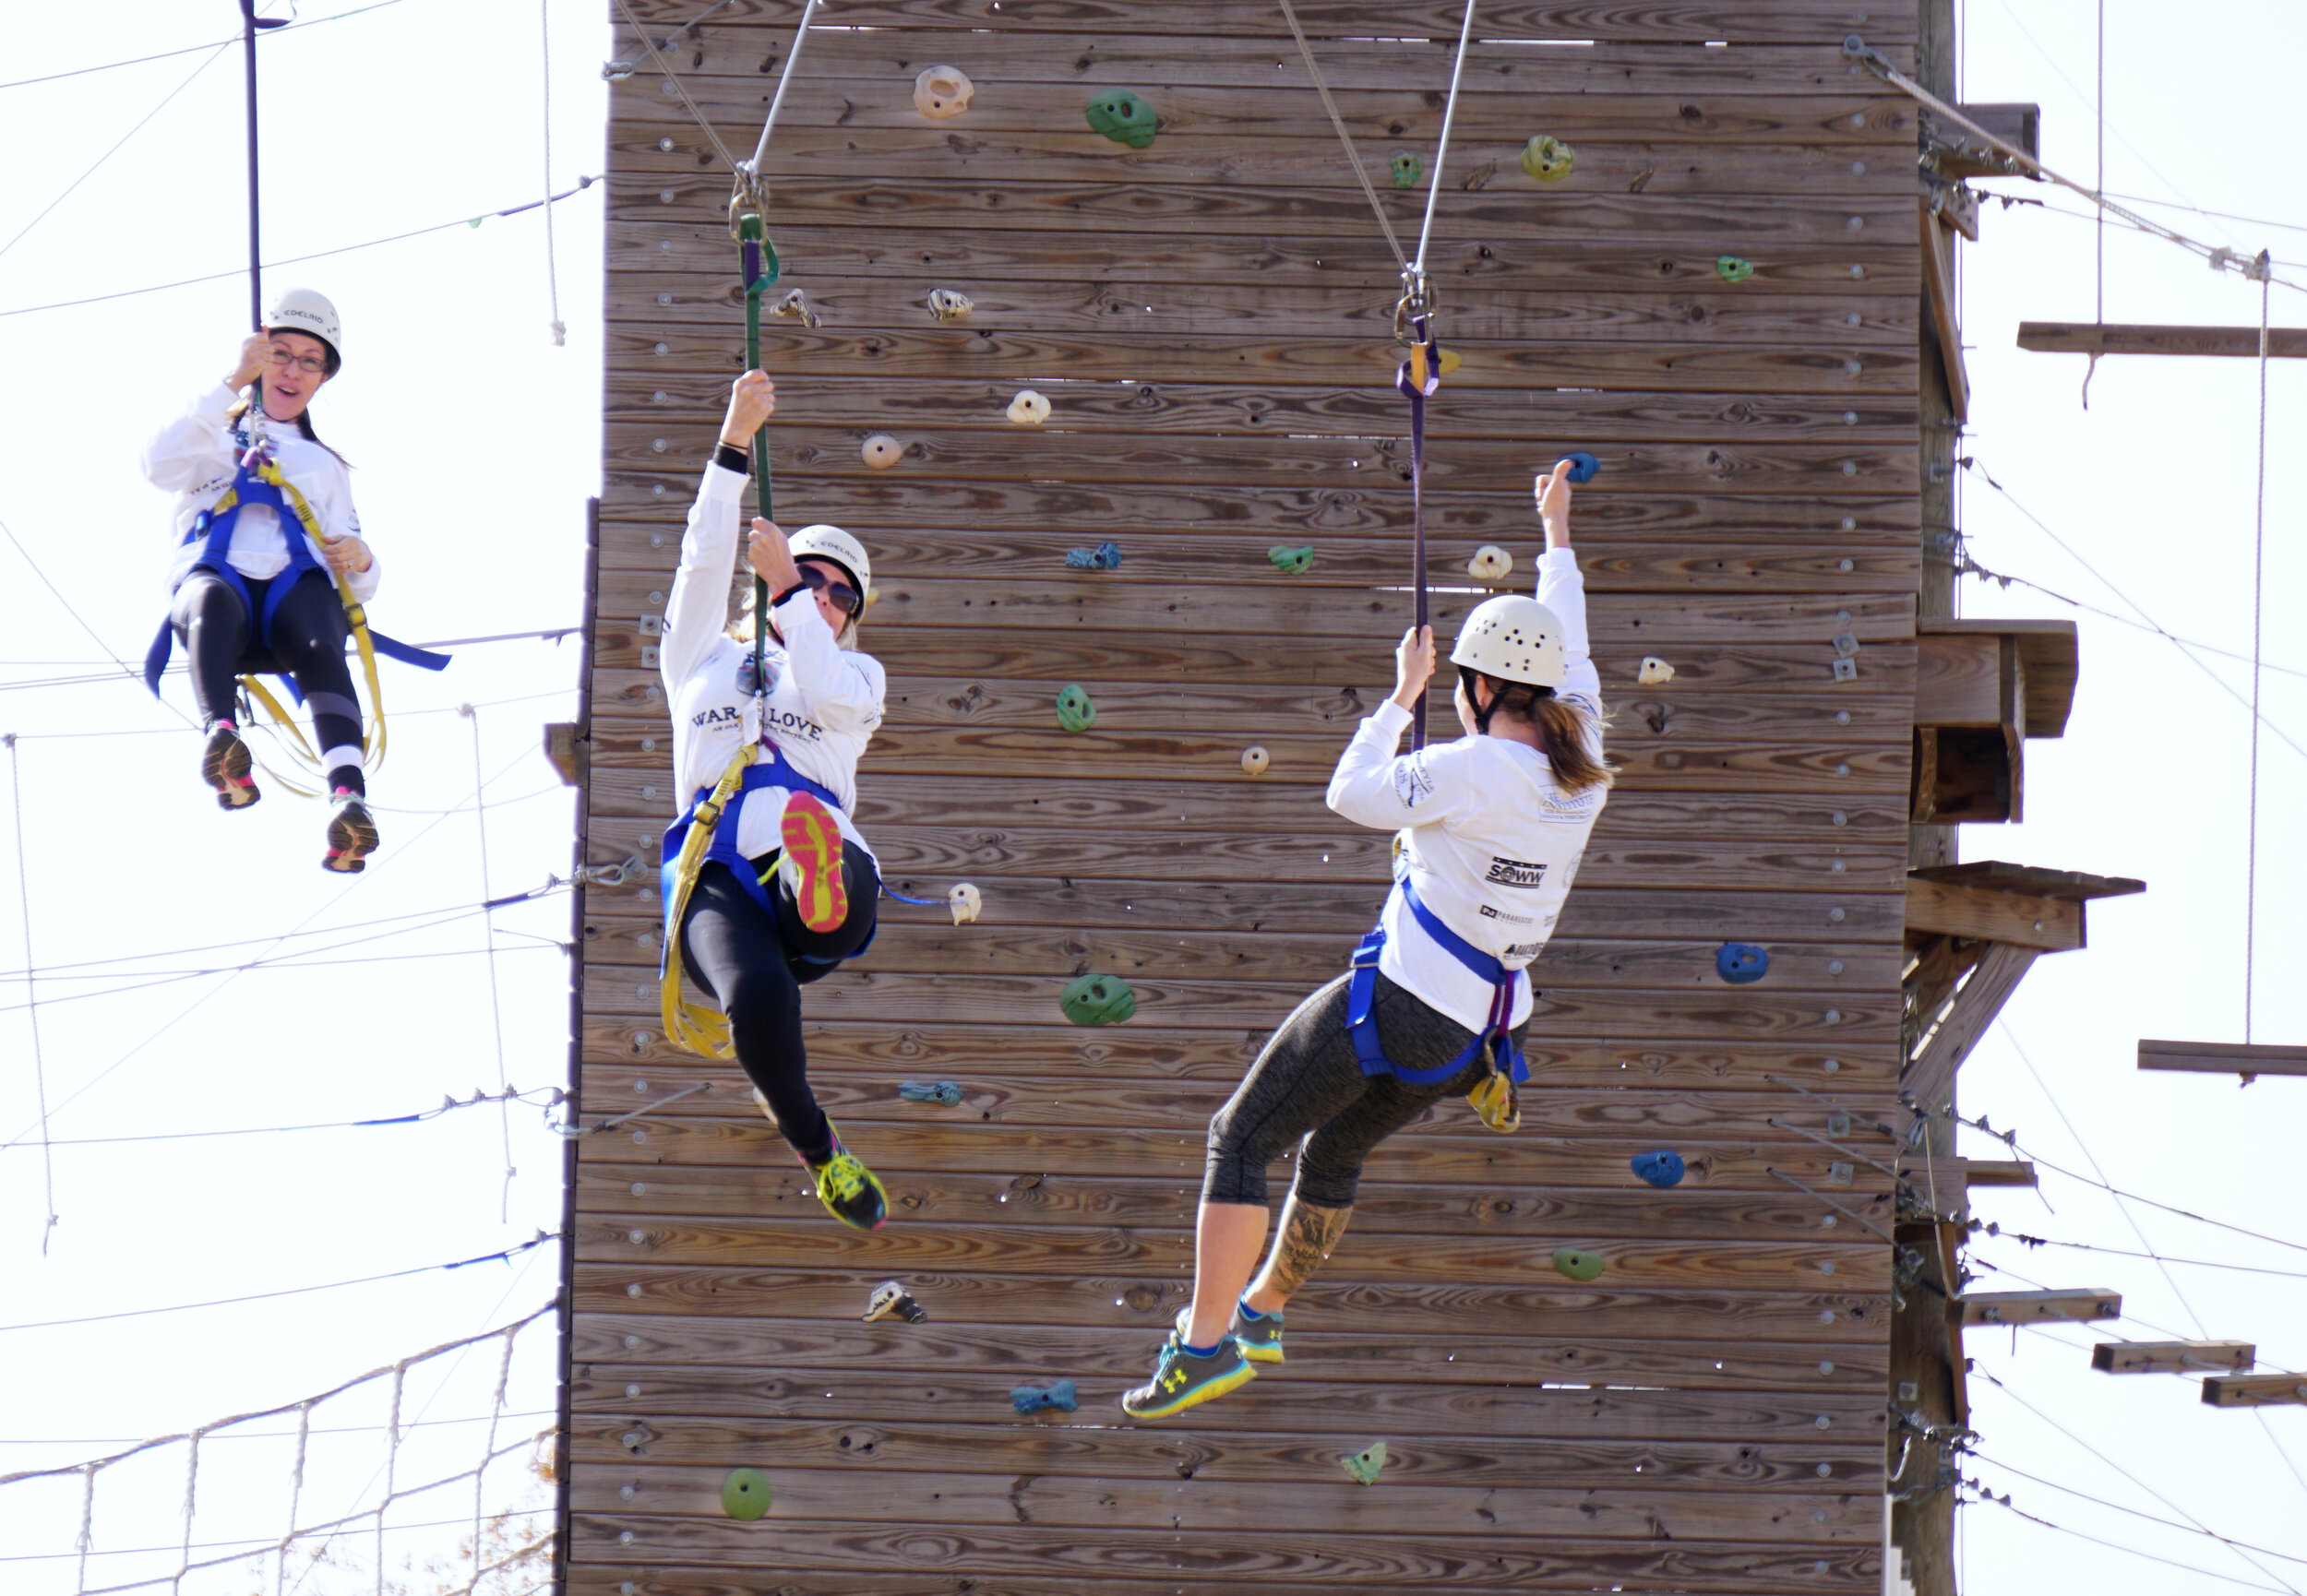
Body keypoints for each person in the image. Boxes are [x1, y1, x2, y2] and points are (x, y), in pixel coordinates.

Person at [1122, 460, 1614, 1420]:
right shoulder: (1581, 751)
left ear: (1475, 685)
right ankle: (1262, 1310)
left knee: (1241, 1136)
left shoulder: (1471, 766)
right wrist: (1555, 532)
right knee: (1332, 1153)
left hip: (1402, 996)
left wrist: (1398, 695)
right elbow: (1574, 631)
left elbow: (1349, 794)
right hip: (1472, 1030)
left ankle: (1205, 1339)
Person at [656, 370, 891, 1232]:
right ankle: (822, 1154)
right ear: (761, 588)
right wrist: (734, 438)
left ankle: (814, 879)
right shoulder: (702, 659)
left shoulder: (854, 674)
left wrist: (792, 596)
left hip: (809, 834)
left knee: (827, 890)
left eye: (840, 596)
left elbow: (824, 693)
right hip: (717, 863)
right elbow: (700, 558)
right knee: (755, 998)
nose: (825, 600)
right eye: (814, 582)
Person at [139, 288, 381, 872]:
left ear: (323, 378)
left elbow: (359, 576)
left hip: (293, 597)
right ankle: (221, 736)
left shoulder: (323, 465)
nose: (292, 370)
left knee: (324, 640)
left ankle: (348, 796)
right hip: (218, 583)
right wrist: (231, 380)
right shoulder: (207, 434)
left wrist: (362, 556)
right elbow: (155, 465)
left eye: (309, 361)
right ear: (259, 356)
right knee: (210, 598)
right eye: (281, 354)